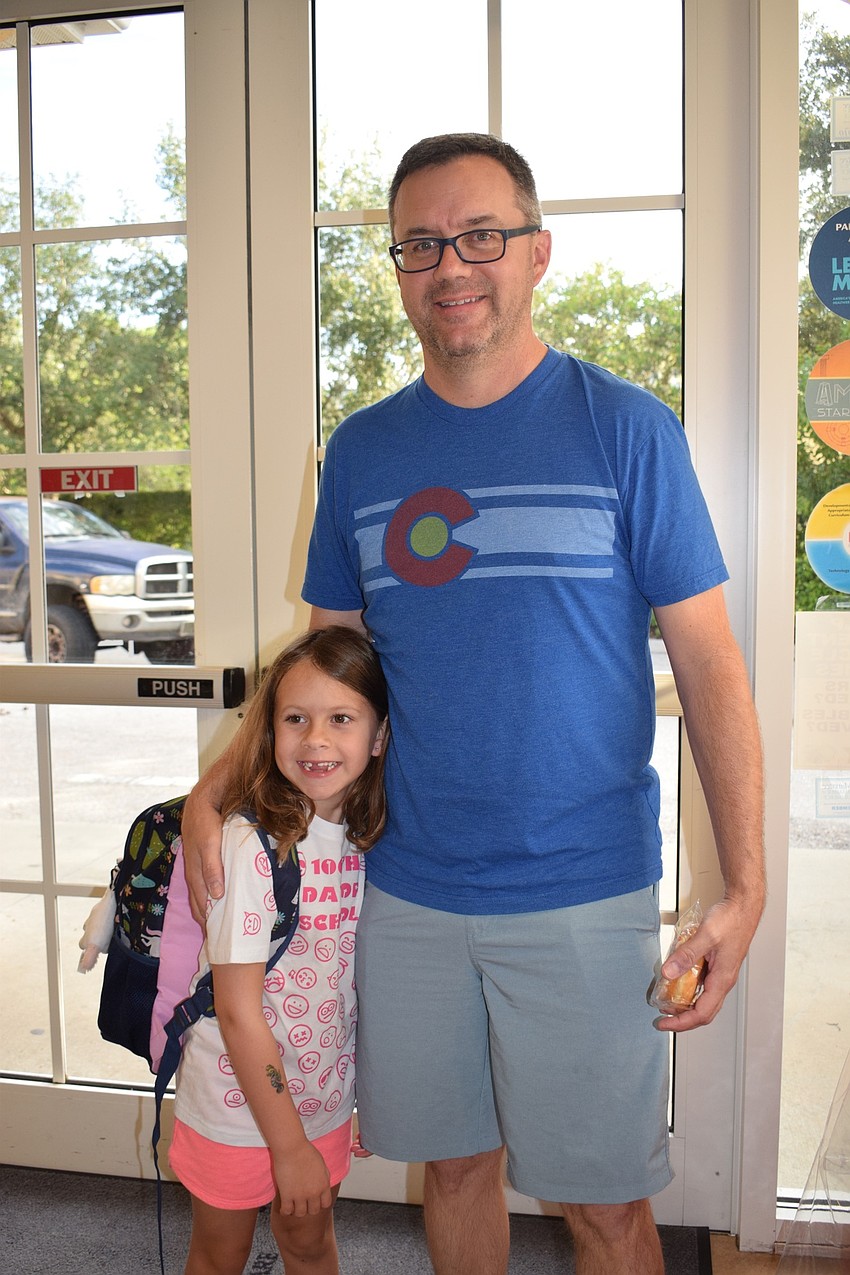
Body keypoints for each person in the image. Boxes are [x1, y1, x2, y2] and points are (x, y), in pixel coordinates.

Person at [182, 134, 766, 1275]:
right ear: (397, 268)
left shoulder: (623, 428)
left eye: (481, 235)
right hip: (405, 888)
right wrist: (215, 791)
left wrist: (743, 888)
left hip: (581, 890)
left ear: (536, 253)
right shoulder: (361, 452)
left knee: (604, 1208)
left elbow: (710, 670)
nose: (452, 265)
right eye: (420, 244)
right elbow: (321, 669)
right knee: (451, 1171)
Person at [171, 626, 387, 1275]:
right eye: (296, 718)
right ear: (269, 732)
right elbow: (238, 1012)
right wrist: (287, 1146)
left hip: (321, 1100)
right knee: (220, 1254)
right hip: (234, 1110)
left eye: (340, 718)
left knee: (310, 1245)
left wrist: (361, 1100)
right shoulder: (252, 848)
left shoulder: (368, 839)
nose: (316, 738)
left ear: (377, 737)